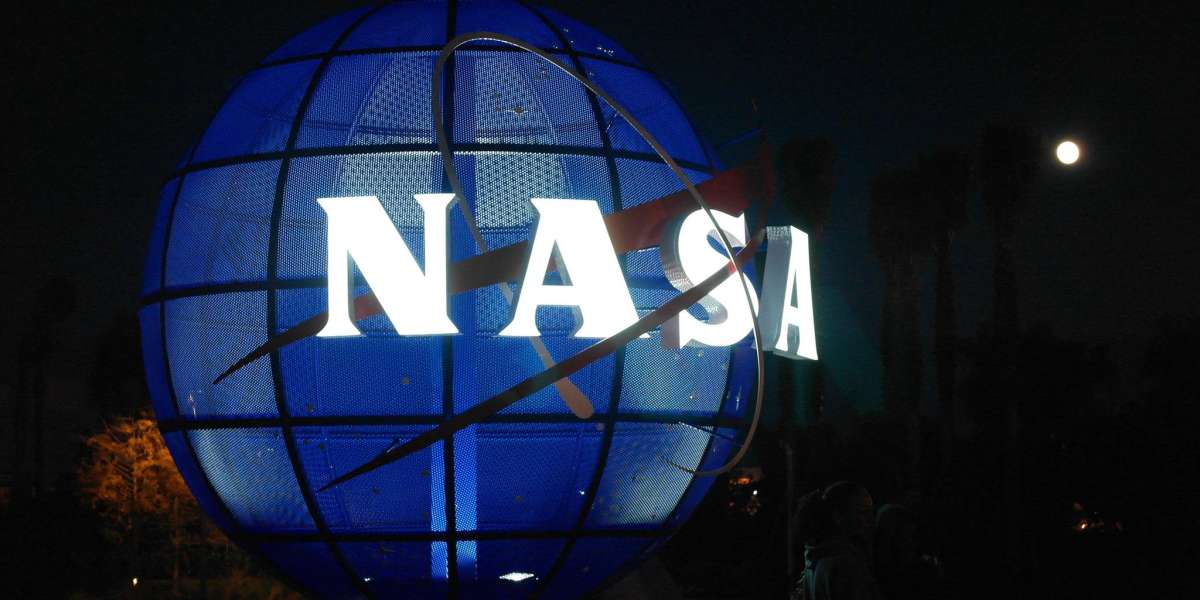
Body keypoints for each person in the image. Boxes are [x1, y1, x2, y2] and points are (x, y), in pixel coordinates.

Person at [790, 481, 882, 600]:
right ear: (839, 516)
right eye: (863, 511)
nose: (871, 519)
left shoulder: (815, 558)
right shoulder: (843, 566)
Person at [873, 504, 944, 600]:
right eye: (903, 539)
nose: (912, 545)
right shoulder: (878, 580)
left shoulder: (923, 569)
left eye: (914, 537)